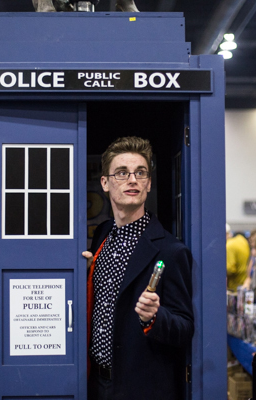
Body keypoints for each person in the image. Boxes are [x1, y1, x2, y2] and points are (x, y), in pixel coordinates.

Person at [81, 136, 194, 400]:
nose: (132, 180)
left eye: (140, 173)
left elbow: (184, 327)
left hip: (141, 389)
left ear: (148, 184)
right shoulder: (102, 234)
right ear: (105, 183)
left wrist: (155, 316)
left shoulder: (171, 251)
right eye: (122, 173)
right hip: (95, 384)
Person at [226, 226, 250, 291]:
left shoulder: (229, 245)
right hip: (244, 284)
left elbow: (230, 269)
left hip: (235, 287)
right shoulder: (242, 241)